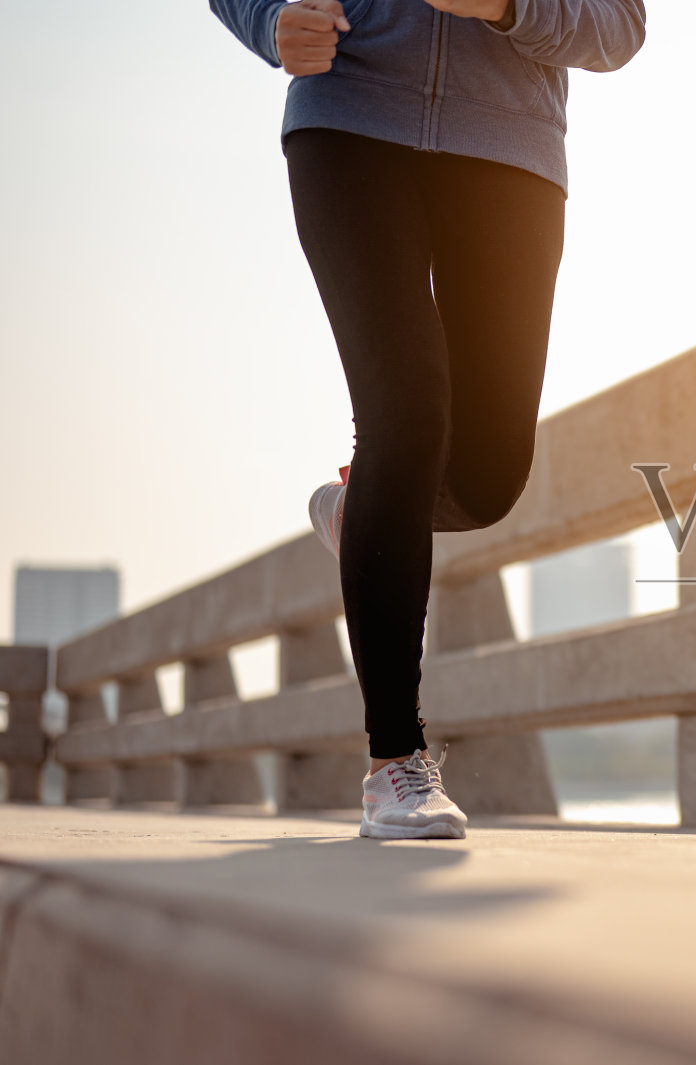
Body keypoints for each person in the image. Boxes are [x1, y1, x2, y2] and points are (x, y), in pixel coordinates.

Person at [210, 0, 647, 839]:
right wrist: (269, 21)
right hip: (349, 119)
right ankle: (394, 764)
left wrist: (505, 6)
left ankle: (365, 508)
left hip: (511, 149)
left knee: (486, 478)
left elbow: (619, 28)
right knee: (404, 412)